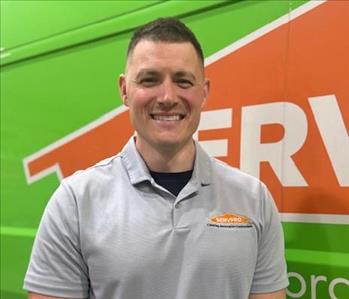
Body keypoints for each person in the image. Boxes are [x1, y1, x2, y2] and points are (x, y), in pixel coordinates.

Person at [24, 17, 289, 299]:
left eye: (183, 81)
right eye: (150, 80)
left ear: (204, 93)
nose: (167, 96)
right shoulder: (75, 202)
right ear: (125, 90)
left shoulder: (254, 199)